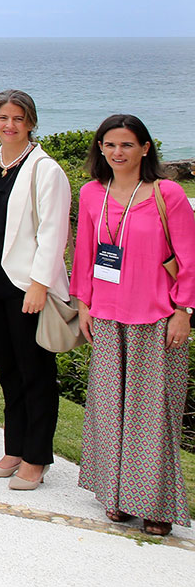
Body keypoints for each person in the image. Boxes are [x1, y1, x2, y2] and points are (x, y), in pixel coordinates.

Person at [72, 114, 193, 535]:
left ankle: (156, 505)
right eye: (109, 144)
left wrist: (184, 311)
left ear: (145, 148)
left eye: (126, 144)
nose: (117, 152)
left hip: (156, 316)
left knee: (153, 412)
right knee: (109, 409)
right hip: (106, 315)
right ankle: (117, 496)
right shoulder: (91, 194)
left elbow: (190, 258)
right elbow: (85, 252)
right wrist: (83, 303)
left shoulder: (167, 193)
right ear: (100, 149)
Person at [0, 88, 73, 490]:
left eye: (18, 118)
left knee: (36, 372)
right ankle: (14, 448)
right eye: (2, 118)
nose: (10, 125)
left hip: (28, 286)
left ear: (31, 122)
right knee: (7, 369)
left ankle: (36, 457)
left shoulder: (47, 171)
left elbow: (53, 234)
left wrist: (40, 285)